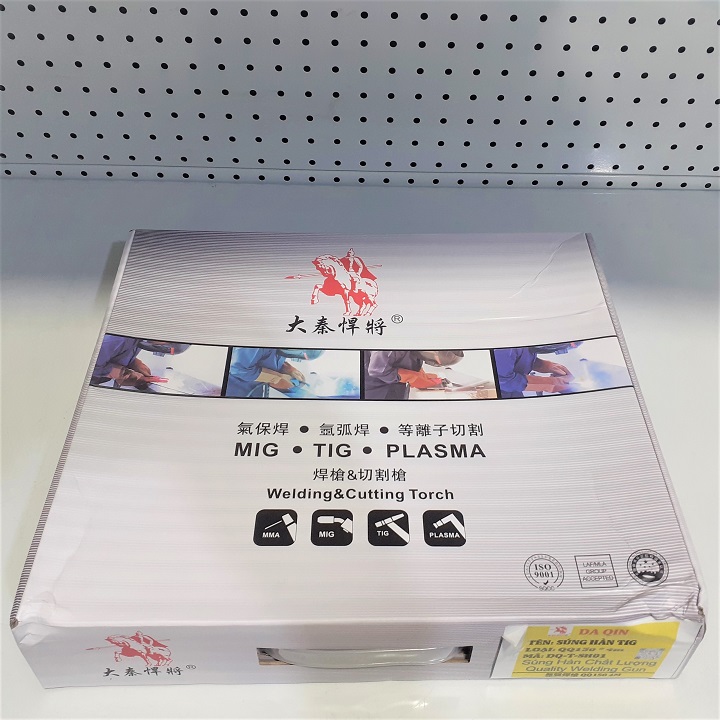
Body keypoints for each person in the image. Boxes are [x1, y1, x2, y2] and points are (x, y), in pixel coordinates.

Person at [226, 348, 324, 398]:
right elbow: (237, 368)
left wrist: (289, 369)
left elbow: (270, 359)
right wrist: (276, 378)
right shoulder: (258, 343)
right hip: (236, 389)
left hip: (257, 391)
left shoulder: (282, 348)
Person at [364, 350, 464, 399]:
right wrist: (411, 377)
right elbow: (376, 370)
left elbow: (412, 356)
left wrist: (419, 373)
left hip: (397, 386)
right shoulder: (389, 347)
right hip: (376, 387)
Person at [494, 343, 580, 398]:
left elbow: (516, 357)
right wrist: (551, 383)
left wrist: (546, 366)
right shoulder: (505, 345)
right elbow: (504, 381)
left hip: (513, 393)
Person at [90, 335, 175, 389]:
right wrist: (123, 373)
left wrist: (135, 364)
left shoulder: (139, 340)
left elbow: (118, 353)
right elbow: (89, 364)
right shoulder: (118, 339)